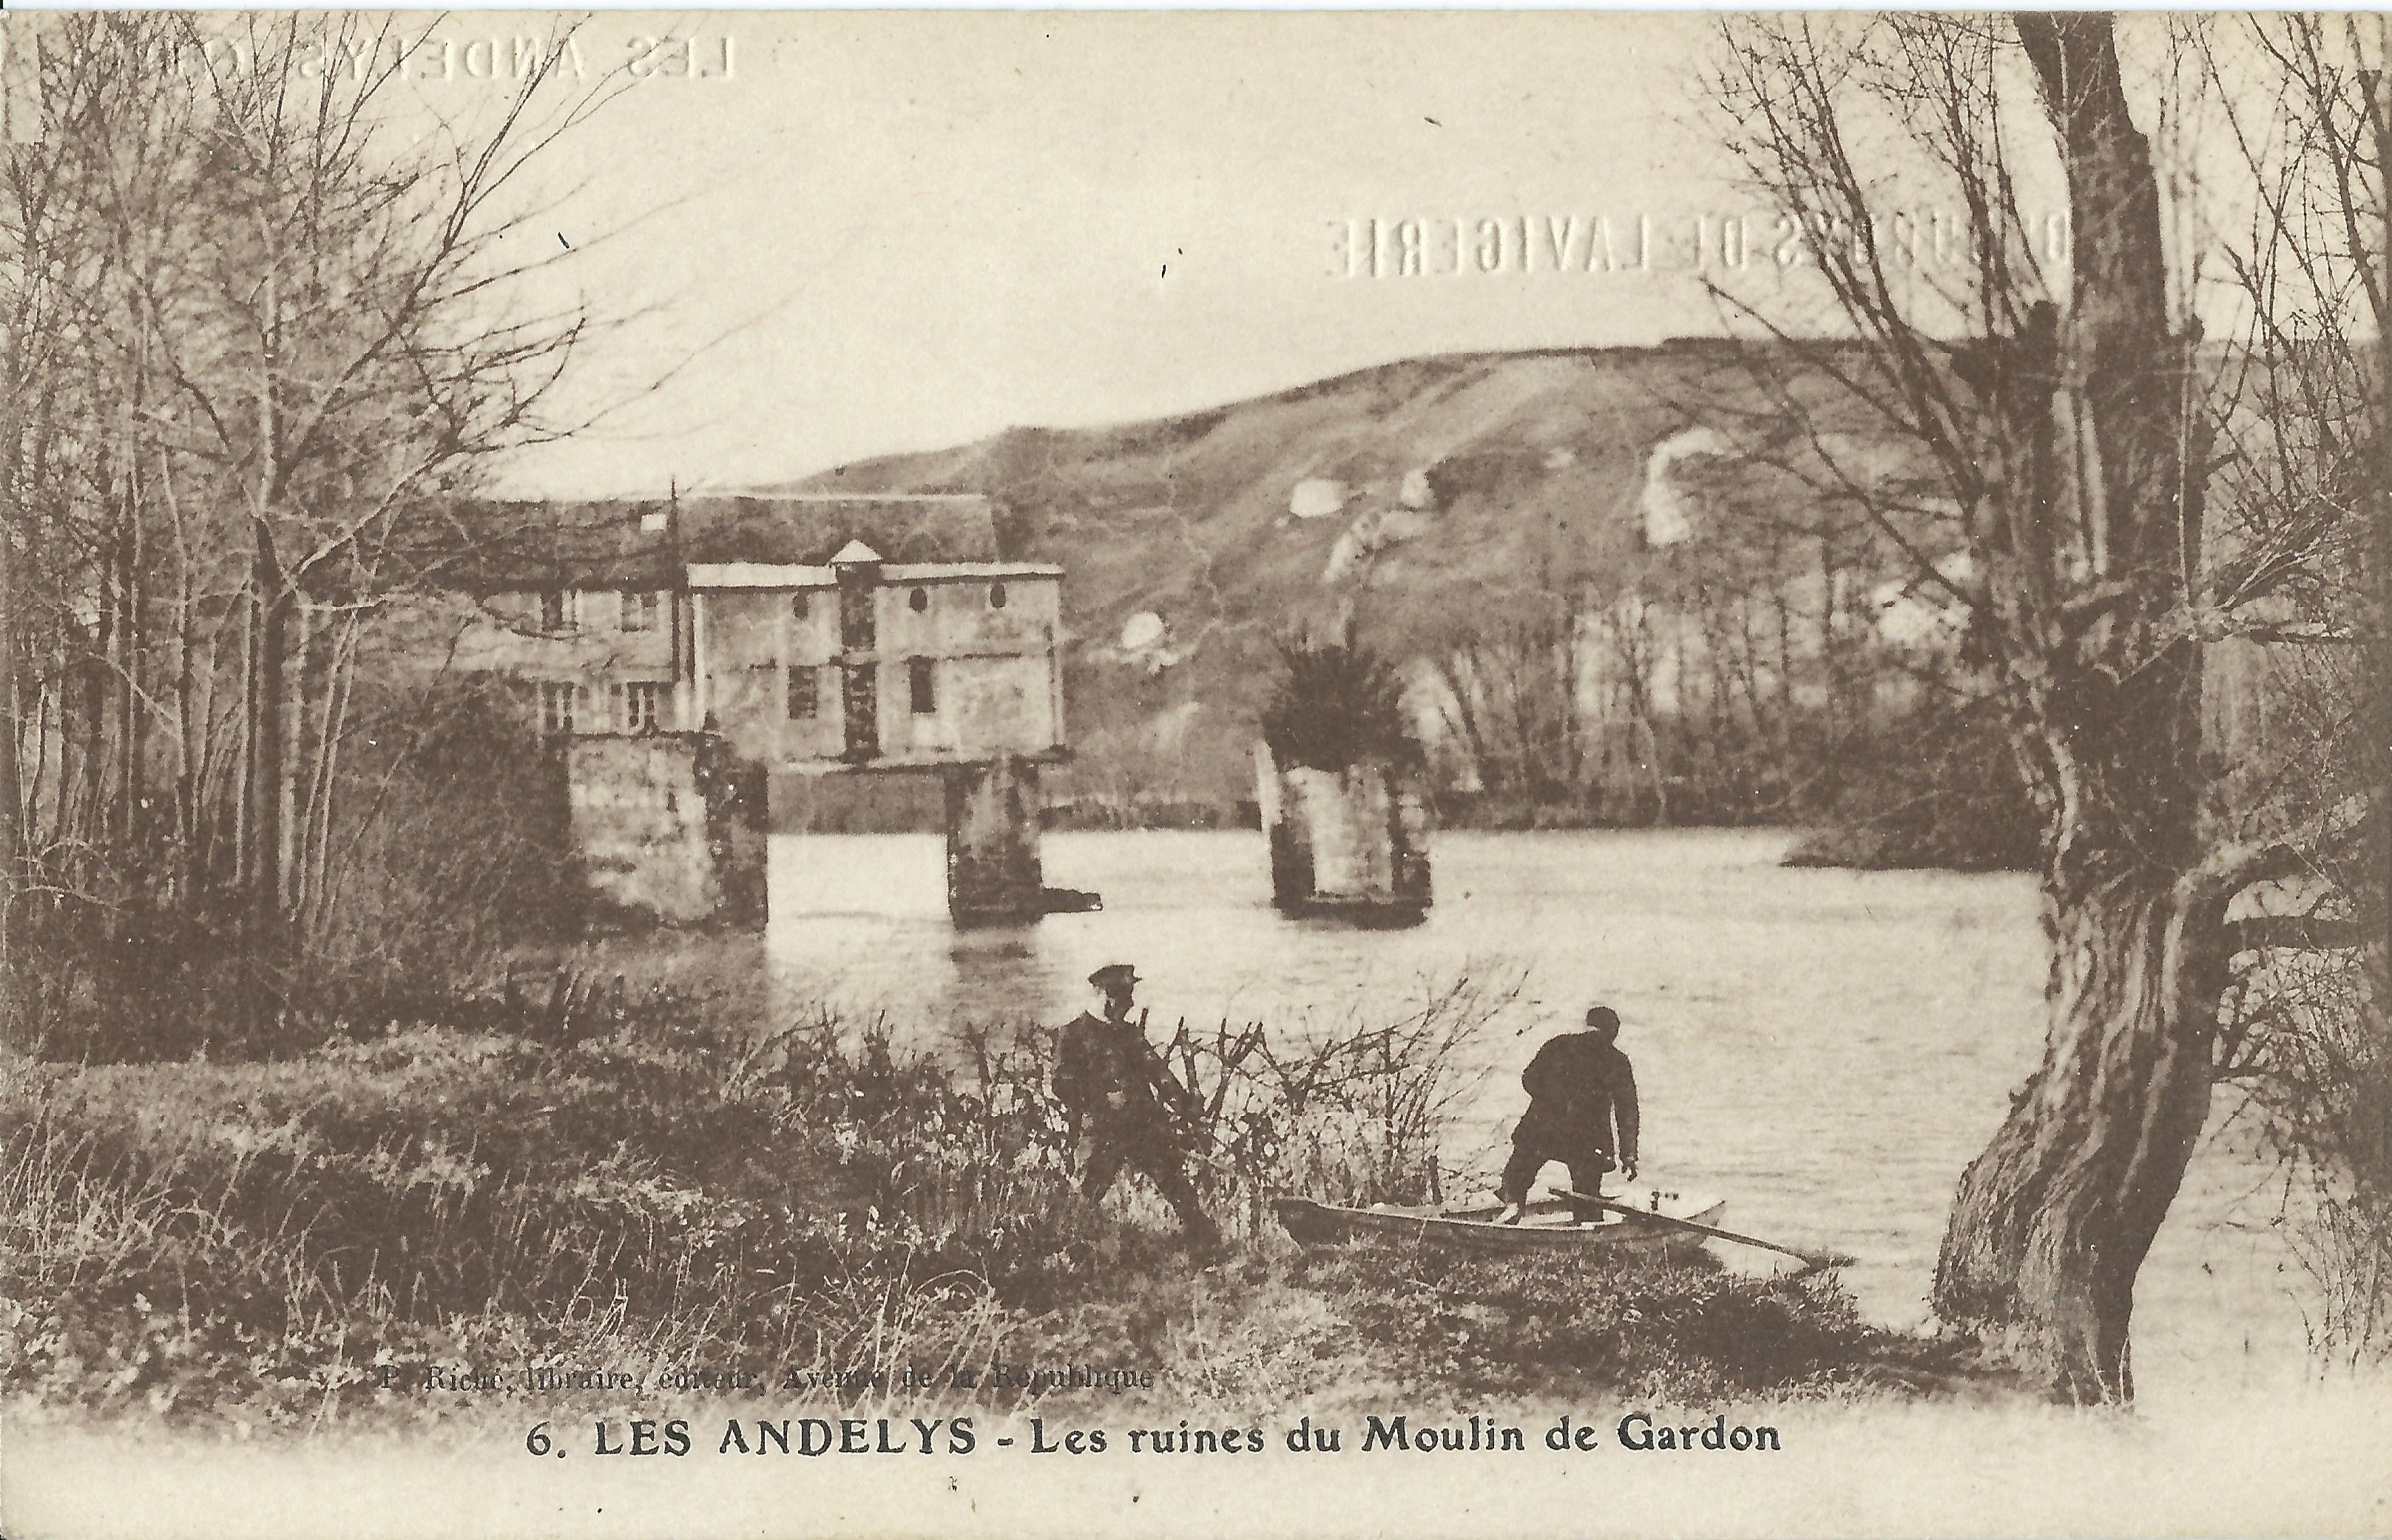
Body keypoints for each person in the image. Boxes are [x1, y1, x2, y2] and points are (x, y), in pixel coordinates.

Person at [1053, 963, 1220, 1247]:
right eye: (1126, 996)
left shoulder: (1130, 1035)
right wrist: (1099, 1098)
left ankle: (1206, 1246)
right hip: (1102, 1131)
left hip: (1144, 1126)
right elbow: (1061, 1083)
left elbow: (1159, 1074)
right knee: (1087, 1192)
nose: (1130, 1003)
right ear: (1108, 996)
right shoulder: (1072, 1035)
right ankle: (1065, 1251)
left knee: (1176, 1185)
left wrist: (1186, 1106)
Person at [1495, 1005, 1640, 1225]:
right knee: (1587, 1196)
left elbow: (1529, 1078)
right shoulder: (1617, 1061)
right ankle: (1588, 1229)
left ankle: (1512, 1204)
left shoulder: (1558, 1045)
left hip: (1543, 1129)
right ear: (1613, 1033)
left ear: (1587, 1025)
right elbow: (1627, 1110)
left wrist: (1553, 1101)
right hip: (1587, 1139)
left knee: (1518, 1175)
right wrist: (1628, 1155)